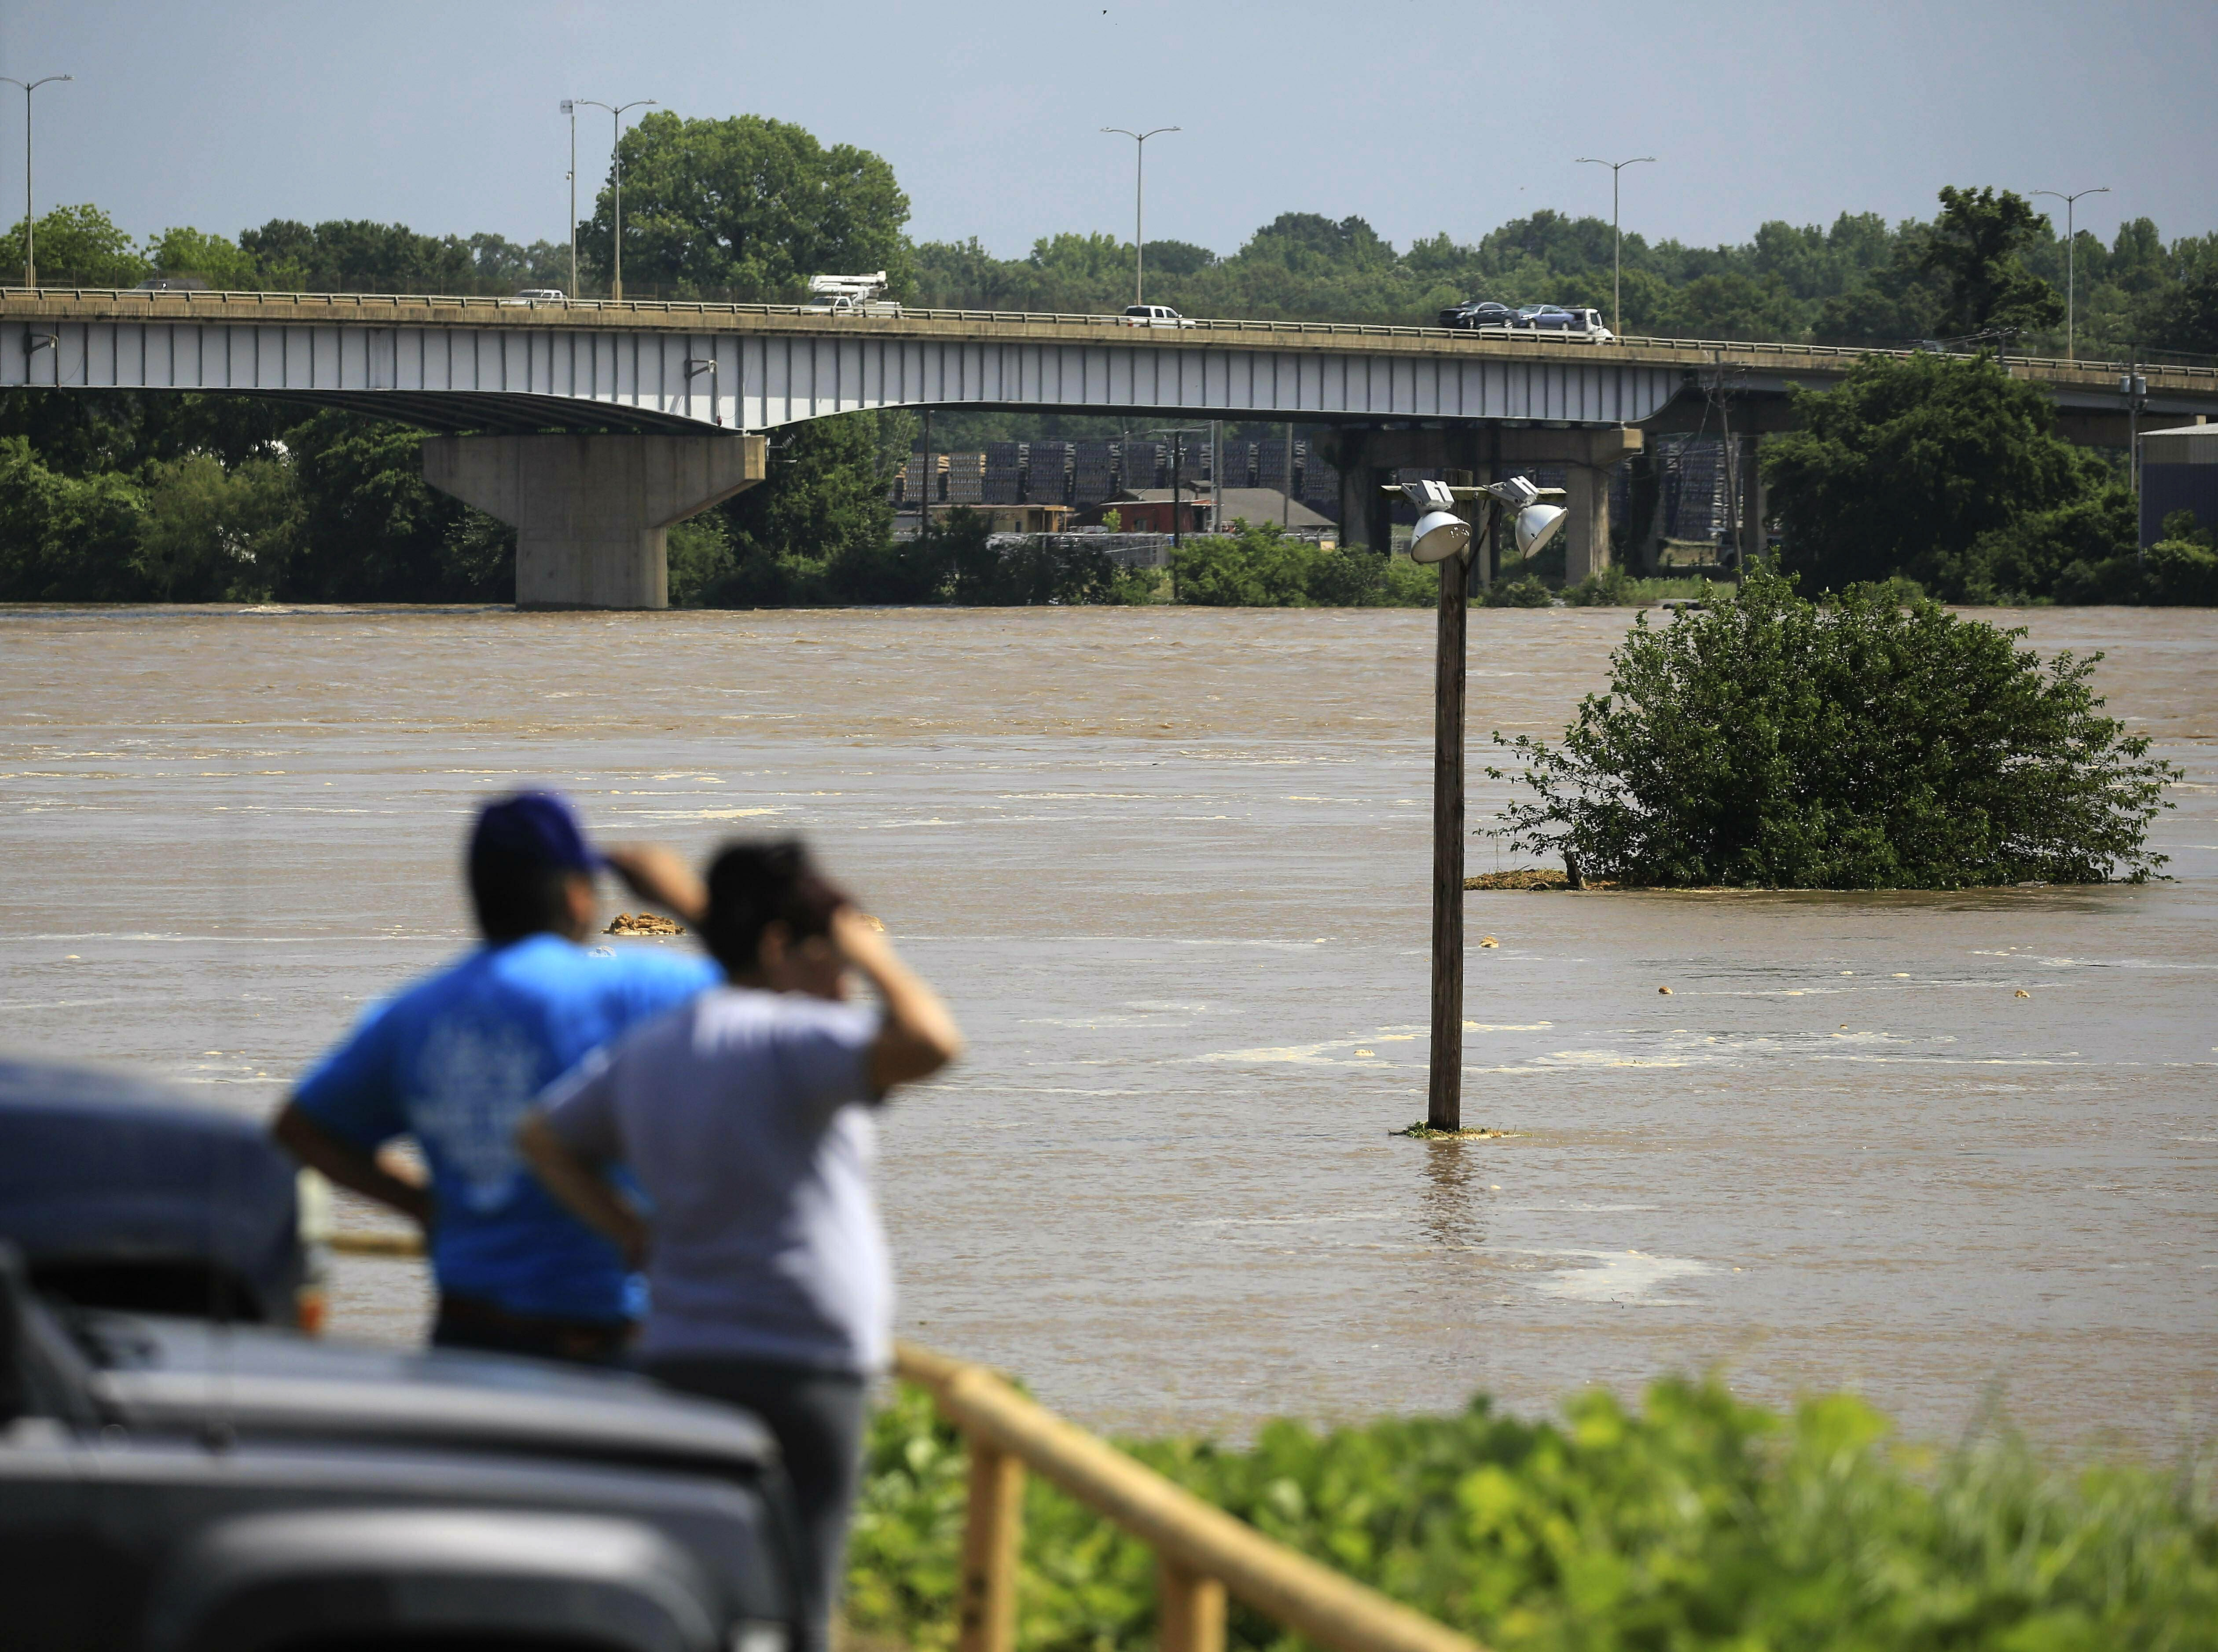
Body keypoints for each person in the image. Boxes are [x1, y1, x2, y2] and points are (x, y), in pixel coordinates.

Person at [517, 839, 962, 1652]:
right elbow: (933, 1043)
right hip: (805, 1355)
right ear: (778, 947)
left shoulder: (652, 1047)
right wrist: (878, 953)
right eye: (831, 953)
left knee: (697, 1596)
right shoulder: (795, 1039)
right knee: (804, 1601)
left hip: (683, 1346)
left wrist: (632, 1233)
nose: (847, 976)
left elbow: (543, 1138)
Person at [272, 791, 718, 1365]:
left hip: (465, 1340)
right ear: (577, 897)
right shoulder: (635, 992)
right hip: (599, 1343)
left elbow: (299, 1129)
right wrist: (689, 901)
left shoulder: (413, 1015)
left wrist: (427, 1207)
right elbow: (775, 995)